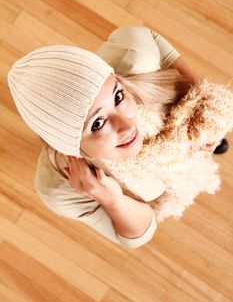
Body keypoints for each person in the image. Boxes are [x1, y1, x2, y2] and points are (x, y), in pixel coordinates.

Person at [7, 26, 228, 248]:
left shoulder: (134, 54)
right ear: (70, 145)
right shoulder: (58, 188)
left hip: (182, 145)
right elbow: (140, 233)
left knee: (211, 144)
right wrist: (112, 200)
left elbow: (145, 35)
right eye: (97, 123)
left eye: (118, 96)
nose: (127, 125)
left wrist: (198, 98)